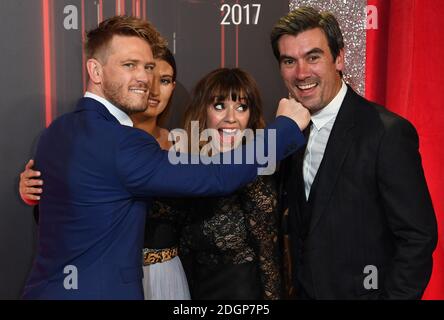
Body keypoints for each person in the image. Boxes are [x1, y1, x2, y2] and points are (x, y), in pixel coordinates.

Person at [21, 15, 309, 299]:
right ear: (95, 71)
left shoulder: (55, 132)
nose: (144, 78)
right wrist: (284, 128)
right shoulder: (123, 143)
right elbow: (218, 176)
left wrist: (32, 195)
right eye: (129, 65)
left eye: (147, 66)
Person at [271, 7, 438, 299]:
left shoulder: (386, 132)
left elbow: (417, 238)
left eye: (313, 57)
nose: (301, 73)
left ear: (339, 58)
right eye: (289, 61)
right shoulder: (291, 129)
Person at [20, 47, 191, 300]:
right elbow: (59, 220)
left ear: (173, 87)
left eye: (164, 80)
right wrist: (32, 194)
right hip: (105, 280)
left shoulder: (187, 145)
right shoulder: (88, 143)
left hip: (168, 277)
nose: (152, 89)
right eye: (143, 75)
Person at [178, 68, 281, 300]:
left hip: (240, 293)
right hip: (192, 291)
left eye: (242, 107)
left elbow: (269, 258)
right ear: (202, 111)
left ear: (251, 116)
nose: (231, 118)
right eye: (219, 106)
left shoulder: (257, 175)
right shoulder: (187, 165)